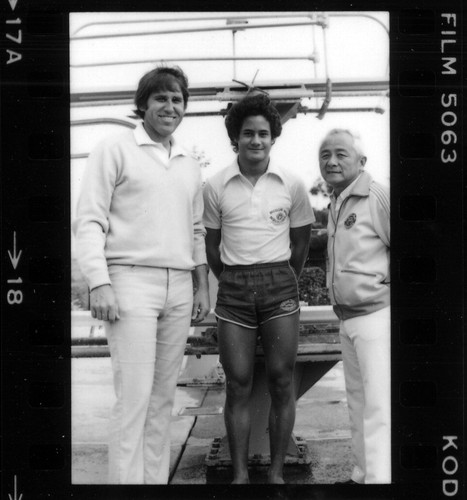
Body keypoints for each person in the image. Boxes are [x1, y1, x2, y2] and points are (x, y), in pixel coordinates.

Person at [73, 66, 210, 484]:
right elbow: (90, 221)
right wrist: (100, 281)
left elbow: (196, 229)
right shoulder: (114, 149)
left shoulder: (188, 162)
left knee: (162, 400)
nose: (170, 107)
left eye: (177, 99)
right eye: (161, 98)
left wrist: (201, 284)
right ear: (144, 104)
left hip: (179, 285)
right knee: (133, 399)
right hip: (130, 282)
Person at [203, 94, 314, 484]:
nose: (255, 140)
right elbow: (212, 248)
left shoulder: (292, 183)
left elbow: (301, 243)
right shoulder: (215, 185)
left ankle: (277, 474)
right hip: (234, 289)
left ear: (273, 137)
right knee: (238, 383)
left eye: (263, 133)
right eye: (247, 133)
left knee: (283, 379)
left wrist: (284, 277)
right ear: (236, 137)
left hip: (279, 284)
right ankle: (239, 475)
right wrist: (234, 276)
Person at [318, 128, 390, 484]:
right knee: (358, 403)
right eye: (325, 154)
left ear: (361, 162)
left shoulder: (376, 196)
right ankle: (362, 476)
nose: (331, 161)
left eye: (341, 154)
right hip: (348, 319)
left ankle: (380, 482)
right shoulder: (337, 199)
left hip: (377, 316)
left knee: (379, 408)